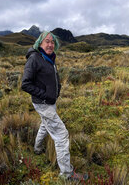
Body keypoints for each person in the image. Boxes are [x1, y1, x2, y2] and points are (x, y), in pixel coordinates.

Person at [21, 31, 88, 181]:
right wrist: (46, 94)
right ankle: (67, 175)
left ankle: (37, 148)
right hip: (44, 103)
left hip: (49, 102)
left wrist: (57, 89)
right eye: (47, 41)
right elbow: (25, 84)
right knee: (62, 135)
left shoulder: (49, 57)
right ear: (40, 43)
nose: (50, 44)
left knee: (45, 125)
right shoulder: (34, 59)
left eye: (52, 42)